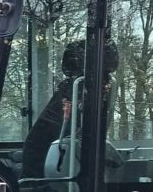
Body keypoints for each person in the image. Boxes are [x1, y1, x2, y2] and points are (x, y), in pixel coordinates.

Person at [21, 39, 119, 177]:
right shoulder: (102, 86)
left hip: (50, 164)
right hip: (59, 157)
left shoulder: (78, 88)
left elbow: (42, 140)